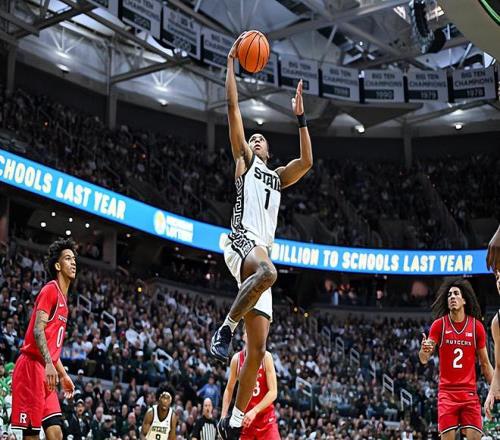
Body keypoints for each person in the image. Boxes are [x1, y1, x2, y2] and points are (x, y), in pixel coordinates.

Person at [210, 32, 313, 439]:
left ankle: (233, 423)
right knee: (269, 272)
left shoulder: (277, 175)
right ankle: (225, 328)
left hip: (262, 252)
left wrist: (300, 118)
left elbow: (307, 161)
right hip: (241, 241)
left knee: (257, 351)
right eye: (251, 138)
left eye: (260, 139)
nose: (254, 139)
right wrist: (231, 64)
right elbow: (232, 108)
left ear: (269, 150)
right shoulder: (245, 162)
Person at [10, 238, 77, 439]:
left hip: (46, 372)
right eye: (68, 258)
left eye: (74, 259)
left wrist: (63, 375)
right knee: (31, 436)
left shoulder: (64, 301)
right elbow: (38, 331)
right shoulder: (50, 290)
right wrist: (48, 363)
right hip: (31, 368)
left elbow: (51, 347)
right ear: (58, 265)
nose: (73, 262)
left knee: (56, 434)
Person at [419, 277, 493, 439]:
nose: (452, 297)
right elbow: (424, 358)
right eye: (449, 295)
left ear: (464, 300)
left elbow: (485, 364)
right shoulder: (439, 325)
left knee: (475, 436)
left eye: (456, 294)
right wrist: (424, 350)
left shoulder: (476, 327)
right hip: (447, 394)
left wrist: (495, 387)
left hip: (469, 393)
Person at [221, 328, 279, 440]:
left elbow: (273, 392)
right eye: (248, 331)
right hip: (245, 421)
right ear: (244, 337)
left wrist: (255, 411)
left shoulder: (266, 357)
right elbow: (229, 389)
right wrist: (223, 416)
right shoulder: (237, 359)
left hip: (266, 420)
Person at [484, 271, 500, 418]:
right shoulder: (496, 322)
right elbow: (499, 366)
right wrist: (491, 392)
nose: (499, 281)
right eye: (498, 277)